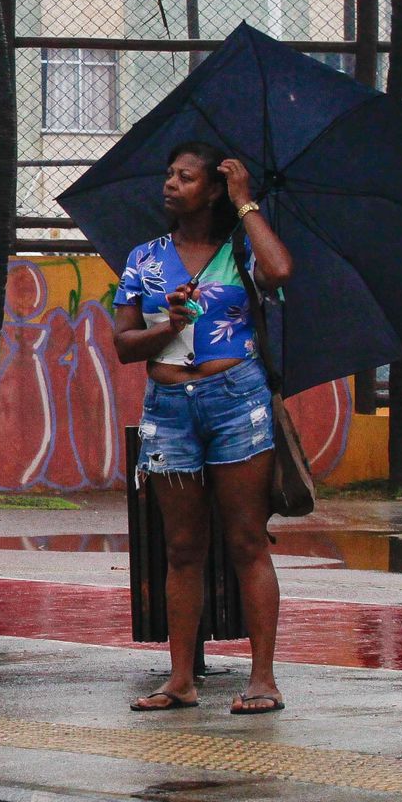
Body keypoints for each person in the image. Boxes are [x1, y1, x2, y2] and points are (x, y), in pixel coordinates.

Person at [114, 143, 294, 716]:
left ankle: (262, 678)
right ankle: (181, 679)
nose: (170, 183)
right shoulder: (145, 258)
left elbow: (281, 270)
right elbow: (123, 346)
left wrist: (246, 203)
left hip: (235, 400)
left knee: (246, 539)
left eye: (185, 177)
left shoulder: (240, 250)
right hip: (168, 406)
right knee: (182, 547)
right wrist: (171, 322)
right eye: (168, 174)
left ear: (213, 188)